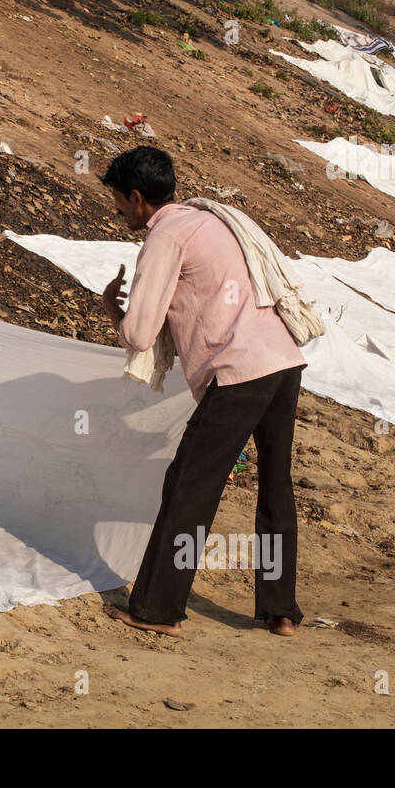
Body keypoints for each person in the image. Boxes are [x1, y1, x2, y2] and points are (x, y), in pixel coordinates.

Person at [98, 146, 307, 637]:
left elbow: (139, 334)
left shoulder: (164, 237)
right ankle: (280, 612)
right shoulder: (207, 220)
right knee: (275, 485)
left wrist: (113, 307)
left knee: (190, 485)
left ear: (136, 197)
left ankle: (156, 609)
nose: (117, 212)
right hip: (283, 360)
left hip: (239, 372)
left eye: (118, 202)